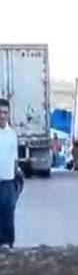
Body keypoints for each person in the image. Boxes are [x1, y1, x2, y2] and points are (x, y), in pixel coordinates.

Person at [0, 98, 19, 248]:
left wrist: (15, 179)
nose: (2, 115)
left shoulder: (12, 134)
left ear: (8, 114)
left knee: (8, 214)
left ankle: (9, 245)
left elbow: (15, 158)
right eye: (0, 112)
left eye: (5, 112)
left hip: (8, 181)